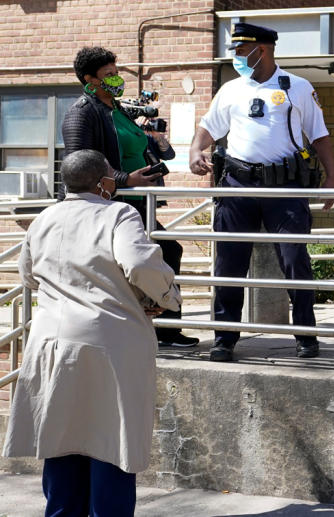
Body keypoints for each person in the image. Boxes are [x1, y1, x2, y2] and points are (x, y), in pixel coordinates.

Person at [3, 149, 182, 517]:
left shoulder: (44, 218)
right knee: (111, 441)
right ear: (103, 184)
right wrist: (163, 296)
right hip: (109, 343)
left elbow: (28, 276)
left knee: (62, 437)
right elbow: (136, 261)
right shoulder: (117, 213)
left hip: (52, 342)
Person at [189, 23, 334, 362]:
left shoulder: (297, 88)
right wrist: (196, 151)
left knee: (295, 260)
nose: (236, 56)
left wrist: (332, 178)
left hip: (284, 188)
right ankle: (224, 338)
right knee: (229, 265)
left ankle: (306, 335)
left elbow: (319, 134)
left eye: (241, 51)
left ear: (262, 50)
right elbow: (208, 127)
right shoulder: (230, 89)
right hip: (238, 185)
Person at [61, 46, 197, 348]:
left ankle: (164, 327)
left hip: (137, 202)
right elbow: (78, 163)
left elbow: (140, 148)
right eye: (108, 74)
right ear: (90, 80)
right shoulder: (82, 113)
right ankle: (156, 325)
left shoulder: (118, 110)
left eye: (116, 72)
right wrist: (125, 179)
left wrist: (157, 143)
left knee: (166, 252)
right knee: (159, 252)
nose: (116, 78)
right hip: (107, 204)